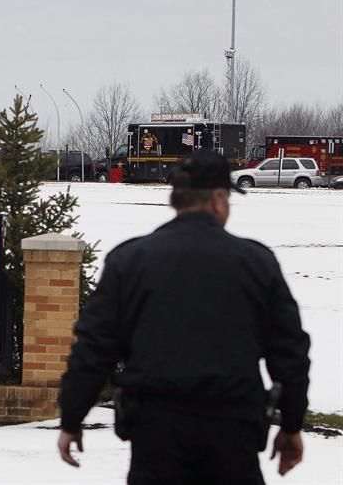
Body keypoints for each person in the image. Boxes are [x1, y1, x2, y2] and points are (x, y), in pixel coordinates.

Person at [57, 149, 311, 484]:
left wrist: (72, 417)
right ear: (218, 199)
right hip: (232, 433)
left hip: (155, 434)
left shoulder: (129, 261)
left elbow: (94, 348)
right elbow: (290, 352)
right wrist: (291, 424)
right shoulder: (256, 263)